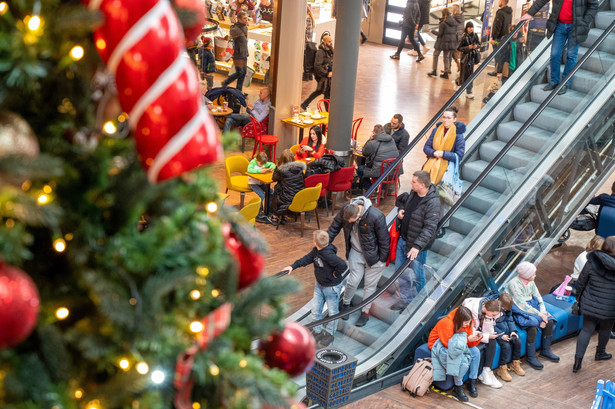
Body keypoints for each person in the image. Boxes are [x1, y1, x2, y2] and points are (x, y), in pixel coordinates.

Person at [327, 197, 389, 327]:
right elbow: (335, 227)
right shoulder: (347, 209)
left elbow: (384, 240)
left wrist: (382, 260)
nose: (349, 222)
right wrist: (324, 243)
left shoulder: (376, 216)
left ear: (359, 214)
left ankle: (365, 313)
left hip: (374, 257)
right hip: (355, 252)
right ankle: (346, 305)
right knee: (352, 281)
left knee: (369, 286)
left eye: (351, 220)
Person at [281, 230, 347, 346]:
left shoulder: (328, 254)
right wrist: (293, 266)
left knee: (333, 312)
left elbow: (342, 265)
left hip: (331, 288)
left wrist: (336, 274)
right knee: (315, 309)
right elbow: (307, 258)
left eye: (313, 240)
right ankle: (316, 330)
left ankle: (329, 334)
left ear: (315, 243)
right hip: (319, 285)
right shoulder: (317, 251)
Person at [520, 0, 598, 95]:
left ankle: (565, 83)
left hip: (576, 26)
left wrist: (584, 22)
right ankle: (554, 81)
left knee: (571, 55)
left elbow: (594, 5)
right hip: (559, 25)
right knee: (554, 54)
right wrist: (530, 13)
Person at [392, 170, 440, 310]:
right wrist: (401, 210)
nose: (411, 183)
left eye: (414, 182)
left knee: (418, 276)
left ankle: (420, 304)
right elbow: (404, 201)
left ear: (423, 185)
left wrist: (417, 246)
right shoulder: (413, 193)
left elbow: (430, 228)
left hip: (417, 248)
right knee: (400, 272)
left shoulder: (433, 203)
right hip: (404, 240)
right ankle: (406, 299)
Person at [505, 261, 560, 370]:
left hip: (532, 305)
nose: (535, 275)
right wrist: (540, 316)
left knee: (550, 321)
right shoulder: (513, 284)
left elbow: (538, 297)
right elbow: (522, 305)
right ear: (527, 275)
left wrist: (544, 313)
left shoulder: (531, 282)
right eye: (533, 273)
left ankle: (545, 350)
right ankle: (531, 357)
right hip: (518, 308)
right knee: (532, 327)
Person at [573, 235, 615, 372]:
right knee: (606, 329)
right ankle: (600, 353)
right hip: (610, 306)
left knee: (586, 330)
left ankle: (577, 363)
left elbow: (582, 281)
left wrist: (578, 298)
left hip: (590, 302)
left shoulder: (592, 259)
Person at [428, 306, 482, 402]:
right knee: (458, 358)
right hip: (440, 344)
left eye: (469, 322)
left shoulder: (467, 322)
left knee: (476, 352)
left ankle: (472, 381)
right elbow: (448, 344)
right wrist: (466, 340)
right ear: (459, 320)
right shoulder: (446, 323)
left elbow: (468, 343)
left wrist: (476, 339)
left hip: (457, 343)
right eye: (466, 322)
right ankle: (458, 387)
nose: (468, 324)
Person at [461, 297, 504, 389]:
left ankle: (487, 370)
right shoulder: (470, 310)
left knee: (492, 340)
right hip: (466, 334)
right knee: (488, 340)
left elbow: (487, 331)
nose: (493, 317)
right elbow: (470, 332)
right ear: (487, 309)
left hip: (476, 332)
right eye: (492, 315)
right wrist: (487, 336)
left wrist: (488, 320)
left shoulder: (488, 311)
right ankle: (483, 373)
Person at [422, 106, 466, 186]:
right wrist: (433, 152)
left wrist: (443, 154)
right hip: (431, 163)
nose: (445, 120)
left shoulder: (458, 135)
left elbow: (459, 156)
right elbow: (426, 147)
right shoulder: (436, 130)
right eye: (444, 117)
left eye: (449, 118)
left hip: (447, 169)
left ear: (454, 119)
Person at [356, 124, 399, 190]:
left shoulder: (372, 142)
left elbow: (364, 152)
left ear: (374, 133)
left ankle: (371, 190)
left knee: (360, 169)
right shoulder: (391, 140)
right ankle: (378, 189)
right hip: (393, 172)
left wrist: (369, 139)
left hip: (381, 172)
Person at [494, 293, 525, 382]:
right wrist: (500, 335)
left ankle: (515, 363)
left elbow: (510, 320)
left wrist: (513, 331)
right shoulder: (494, 309)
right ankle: (502, 368)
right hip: (497, 333)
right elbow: (491, 325)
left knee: (517, 341)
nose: (504, 310)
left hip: (507, 331)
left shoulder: (508, 309)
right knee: (506, 346)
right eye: (503, 308)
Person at [270, 149, 306, 225]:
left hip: (287, 198)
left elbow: (274, 178)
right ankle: (284, 216)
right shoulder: (299, 168)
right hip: (299, 197)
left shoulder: (282, 170)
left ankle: (275, 216)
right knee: (283, 187)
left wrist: (277, 168)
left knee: (278, 188)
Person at [301, 35, 334, 111]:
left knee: (320, 91)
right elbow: (317, 66)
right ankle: (328, 112)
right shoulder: (320, 53)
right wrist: (326, 73)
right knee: (326, 93)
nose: (331, 43)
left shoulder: (331, 52)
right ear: (324, 42)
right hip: (322, 77)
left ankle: (304, 104)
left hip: (328, 76)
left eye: (331, 41)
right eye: (329, 41)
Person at [427, 8, 458, 79]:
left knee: (435, 55)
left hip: (442, 42)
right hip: (450, 42)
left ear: (443, 14)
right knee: (446, 57)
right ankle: (446, 73)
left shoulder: (443, 22)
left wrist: (432, 31)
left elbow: (440, 34)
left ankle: (434, 71)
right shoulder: (453, 21)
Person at [222, 11, 249, 92]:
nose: (246, 20)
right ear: (239, 19)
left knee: (243, 73)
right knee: (240, 72)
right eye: (244, 18)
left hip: (244, 53)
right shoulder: (235, 29)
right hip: (237, 54)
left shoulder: (245, 27)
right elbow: (230, 43)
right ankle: (225, 82)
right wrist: (229, 54)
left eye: (247, 18)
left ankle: (239, 90)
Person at [487, 0, 513, 81]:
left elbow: (497, 26)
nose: (499, 2)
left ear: (503, 1)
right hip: (505, 37)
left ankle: (497, 71)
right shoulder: (509, 13)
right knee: (501, 55)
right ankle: (499, 71)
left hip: (498, 38)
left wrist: (493, 38)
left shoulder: (500, 13)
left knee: (497, 55)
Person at [247, 152, 275, 222]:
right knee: (262, 195)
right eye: (261, 164)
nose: (262, 165)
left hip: (261, 182)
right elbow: (249, 170)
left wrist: (272, 168)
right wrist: (260, 171)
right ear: (257, 160)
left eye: (263, 164)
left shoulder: (263, 162)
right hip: (253, 183)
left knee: (271, 192)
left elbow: (273, 164)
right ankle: (258, 212)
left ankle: (268, 209)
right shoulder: (253, 163)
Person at [457, 22, 481, 99]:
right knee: (464, 74)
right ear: (467, 28)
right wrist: (468, 47)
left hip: (472, 58)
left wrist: (476, 46)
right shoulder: (463, 37)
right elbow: (459, 48)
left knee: (470, 75)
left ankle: (469, 91)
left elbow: (479, 45)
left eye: (472, 27)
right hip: (465, 58)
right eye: (469, 27)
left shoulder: (475, 35)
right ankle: (459, 84)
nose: (471, 29)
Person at [450, 4, 465, 73]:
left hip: (453, 37)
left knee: (450, 52)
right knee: (452, 51)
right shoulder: (462, 17)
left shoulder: (452, 17)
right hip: (459, 36)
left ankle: (450, 68)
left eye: (451, 9)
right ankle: (456, 65)